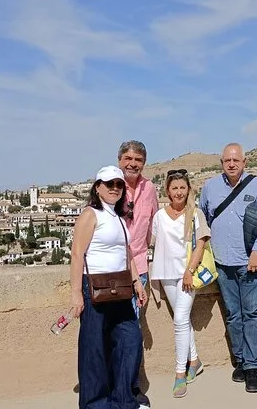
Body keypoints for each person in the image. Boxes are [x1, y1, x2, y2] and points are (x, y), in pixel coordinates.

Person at [69, 166, 148, 409]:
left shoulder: (118, 217)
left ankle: (123, 399)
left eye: (119, 184)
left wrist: (136, 281)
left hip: (120, 288)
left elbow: (126, 252)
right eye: (109, 183)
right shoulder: (90, 214)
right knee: (94, 348)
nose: (115, 188)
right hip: (94, 288)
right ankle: (95, 404)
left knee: (130, 340)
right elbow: (77, 254)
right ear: (97, 187)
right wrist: (76, 293)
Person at [200, 143, 257, 393]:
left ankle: (252, 367)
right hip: (222, 263)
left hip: (250, 262)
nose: (231, 164)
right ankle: (240, 360)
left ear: (244, 162)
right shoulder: (210, 187)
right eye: (227, 160)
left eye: (236, 160)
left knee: (251, 314)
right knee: (233, 314)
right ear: (221, 162)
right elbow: (204, 219)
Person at [149, 169, 210, 398]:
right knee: (182, 320)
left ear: (188, 189)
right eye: (174, 188)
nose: (178, 192)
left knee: (180, 319)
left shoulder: (195, 214)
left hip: (187, 275)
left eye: (182, 187)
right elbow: (155, 242)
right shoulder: (159, 216)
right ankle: (195, 360)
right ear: (167, 190)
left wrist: (189, 271)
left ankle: (179, 373)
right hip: (166, 273)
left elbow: (200, 244)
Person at [117, 140, 158, 407]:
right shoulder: (110, 185)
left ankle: (131, 388)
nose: (133, 164)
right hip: (112, 270)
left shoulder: (150, 189)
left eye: (138, 160)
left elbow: (153, 226)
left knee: (132, 333)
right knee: (113, 332)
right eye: (128, 158)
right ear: (120, 159)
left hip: (140, 269)